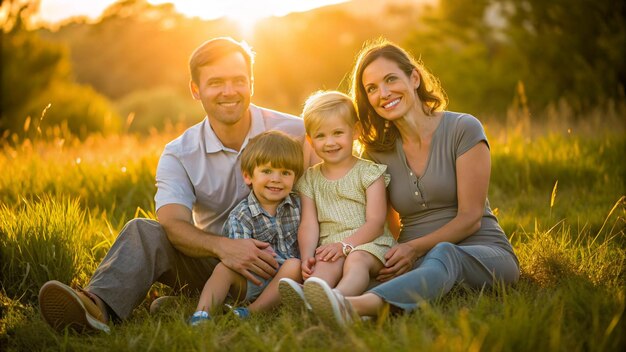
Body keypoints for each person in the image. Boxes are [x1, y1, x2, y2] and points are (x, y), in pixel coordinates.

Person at [38, 37, 316, 333]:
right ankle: (96, 309)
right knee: (142, 230)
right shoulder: (179, 152)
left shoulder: (297, 131)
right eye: (216, 82)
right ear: (195, 90)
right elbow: (173, 223)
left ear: (252, 84)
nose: (229, 91)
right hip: (216, 267)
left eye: (238, 80)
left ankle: (196, 303)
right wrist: (226, 249)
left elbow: (335, 177)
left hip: (291, 262)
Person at [304, 39, 520, 327]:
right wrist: (391, 255)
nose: (383, 93)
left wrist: (414, 248)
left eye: (390, 79)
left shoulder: (463, 129)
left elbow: (470, 219)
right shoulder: (376, 152)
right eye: (371, 89)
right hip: (412, 257)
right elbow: (385, 221)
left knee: (445, 254)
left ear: (414, 78)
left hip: (482, 252)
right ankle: (339, 300)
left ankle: (352, 307)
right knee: (367, 263)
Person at [278, 91, 396, 319]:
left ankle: (337, 301)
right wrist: (307, 257)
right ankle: (311, 298)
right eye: (320, 136)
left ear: (356, 132)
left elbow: (376, 223)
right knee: (322, 266)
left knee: (356, 259)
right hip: (331, 247)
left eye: (338, 133)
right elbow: (309, 224)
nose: (330, 142)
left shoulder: (369, 173)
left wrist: (345, 245)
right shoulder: (309, 179)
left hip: (371, 245)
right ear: (310, 141)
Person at [188, 131, 304, 325]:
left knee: (294, 265)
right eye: (267, 171)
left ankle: (250, 312)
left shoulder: (299, 205)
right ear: (248, 176)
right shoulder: (241, 215)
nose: (276, 179)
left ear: (295, 177)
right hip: (253, 279)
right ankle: (202, 314)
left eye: (285, 173)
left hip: (288, 279)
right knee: (222, 270)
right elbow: (238, 259)